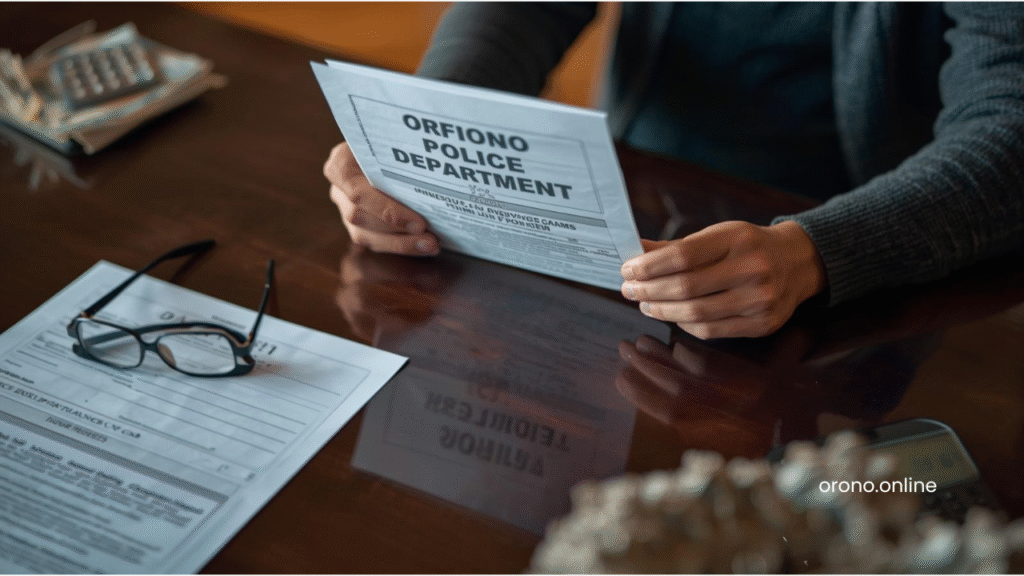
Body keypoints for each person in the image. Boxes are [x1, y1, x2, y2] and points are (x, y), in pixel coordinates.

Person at [323, 3, 1024, 339]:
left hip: (871, 259)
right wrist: (422, 134)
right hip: (629, 205)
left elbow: (1009, 121)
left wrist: (818, 251)